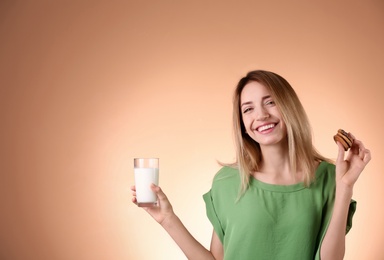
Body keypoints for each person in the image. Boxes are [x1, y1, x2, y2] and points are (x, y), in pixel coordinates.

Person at [131, 70, 371, 260]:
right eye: (248, 109)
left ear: (290, 107)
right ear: (243, 124)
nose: (261, 115)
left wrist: (345, 188)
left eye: (271, 102)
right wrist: (167, 218)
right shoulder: (226, 182)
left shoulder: (331, 178)